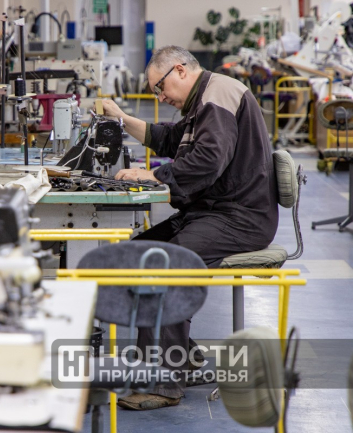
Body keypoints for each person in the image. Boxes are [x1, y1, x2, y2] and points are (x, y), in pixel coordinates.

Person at [101, 46, 278, 410]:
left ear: (180, 70)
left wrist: (151, 175)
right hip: (210, 212)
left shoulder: (218, 95)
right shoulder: (202, 101)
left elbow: (209, 161)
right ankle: (181, 356)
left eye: (160, 88)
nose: (160, 98)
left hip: (240, 216)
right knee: (134, 255)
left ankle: (164, 383)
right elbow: (168, 138)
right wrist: (121, 118)